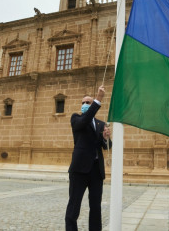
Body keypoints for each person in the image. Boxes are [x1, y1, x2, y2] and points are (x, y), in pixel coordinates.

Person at [65, 85, 112, 231]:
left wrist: (106, 138)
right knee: (74, 205)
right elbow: (84, 121)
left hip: (96, 171)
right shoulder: (76, 118)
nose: (85, 105)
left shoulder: (101, 124)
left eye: (88, 102)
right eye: (83, 102)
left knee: (96, 207)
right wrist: (98, 99)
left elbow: (107, 146)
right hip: (79, 170)